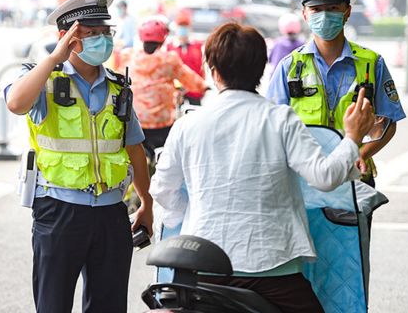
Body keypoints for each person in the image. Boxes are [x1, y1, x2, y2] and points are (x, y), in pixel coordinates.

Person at [150, 22, 375, 313]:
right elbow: (325, 177)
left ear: (213, 70)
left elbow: (162, 190)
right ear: (261, 69)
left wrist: (191, 215)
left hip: (203, 266)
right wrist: (353, 137)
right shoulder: (280, 119)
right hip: (272, 268)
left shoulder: (187, 125)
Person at [4, 0, 153, 313]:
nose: (101, 40)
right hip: (59, 211)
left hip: (111, 213)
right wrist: (54, 58)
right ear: (66, 36)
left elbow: (134, 149)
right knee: (53, 305)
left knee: (108, 306)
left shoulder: (118, 87)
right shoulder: (42, 78)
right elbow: (15, 103)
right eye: (90, 33)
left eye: (105, 32)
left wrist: (146, 200)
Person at [266, 0, 406, 187]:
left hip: (355, 178)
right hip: (304, 179)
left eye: (332, 9)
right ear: (304, 14)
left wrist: (362, 154)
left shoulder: (372, 62)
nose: (324, 16)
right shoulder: (289, 66)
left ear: (347, 12)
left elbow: (389, 122)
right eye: (316, 10)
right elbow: (272, 127)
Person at [116, 16, 207, 156]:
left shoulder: (128, 57)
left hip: (135, 122)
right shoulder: (169, 60)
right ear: (163, 39)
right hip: (162, 124)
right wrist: (203, 87)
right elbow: (192, 81)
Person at [166, 9, 206, 105]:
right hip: (177, 90)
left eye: (185, 27)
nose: (183, 30)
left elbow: (201, 68)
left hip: (195, 90)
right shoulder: (170, 46)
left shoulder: (198, 45)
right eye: (180, 27)